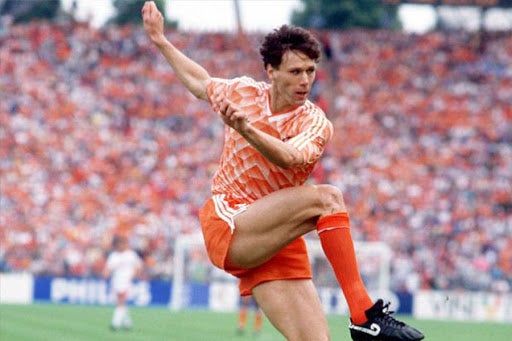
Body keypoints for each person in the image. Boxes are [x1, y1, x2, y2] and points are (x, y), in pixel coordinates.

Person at [142, 2, 424, 340]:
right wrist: (160, 40)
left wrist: (247, 130)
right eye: (295, 72)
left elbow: (289, 158)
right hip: (230, 223)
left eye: (310, 71)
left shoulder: (315, 122)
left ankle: (363, 320)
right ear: (271, 70)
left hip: (275, 238)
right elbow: (200, 83)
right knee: (328, 198)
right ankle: (364, 315)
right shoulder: (243, 93)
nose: (305, 80)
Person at [103, 235, 142, 331]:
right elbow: (108, 268)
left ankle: (115, 324)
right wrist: (105, 274)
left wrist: (134, 276)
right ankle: (127, 323)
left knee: (121, 301)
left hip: (126, 282)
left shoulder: (131, 255)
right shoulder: (114, 256)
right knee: (120, 303)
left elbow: (138, 266)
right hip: (116, 282)